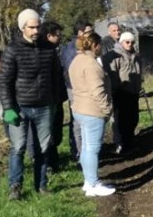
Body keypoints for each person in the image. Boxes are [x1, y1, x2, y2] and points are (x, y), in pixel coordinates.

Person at [0, 9, 62, 199]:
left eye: (38, 26)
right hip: (20, 106)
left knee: (43, 148)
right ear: (22, 28)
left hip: (44, 107)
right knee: (18, 147)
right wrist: (8, 108)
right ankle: (15, 186)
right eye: (31, 27)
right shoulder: (12, 50)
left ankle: (41, 185)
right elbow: (4, 82)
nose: (36, 31)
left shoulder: (48, 49)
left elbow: (56, 76)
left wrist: (56, 101)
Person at [69, 32, 115, 197]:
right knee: (93, 149)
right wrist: (107, 109)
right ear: (95, 45)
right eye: (100, 45)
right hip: (92, 111)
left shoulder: (76, 61)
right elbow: (97, 91)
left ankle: (88, 181)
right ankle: (94, 183)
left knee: (87, 149)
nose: (101, 48)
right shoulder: (90, 64)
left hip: (80, 109)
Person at [60, 22, 93, 160]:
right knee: (78, 121)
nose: (92, 34)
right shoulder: (71, 49)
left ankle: (85, 150)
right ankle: (78, 153)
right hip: (75, 88)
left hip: (84, 87)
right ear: (80, 33)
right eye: (89, 31)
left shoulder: (83, 46)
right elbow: (69, 70)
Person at [106, 32, 142, 154]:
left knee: (133, 119)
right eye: (127, 42)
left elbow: (138, 72)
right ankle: (120, 144)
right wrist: (118, 86)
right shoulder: (114, 55)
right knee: (121, 120)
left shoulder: (135, 56)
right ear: (121, 42)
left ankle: (130, 141)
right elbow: (111, 74)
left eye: (132, 42)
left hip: (134, 92)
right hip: (120, 92)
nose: (130, 44)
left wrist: (139, 85)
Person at [39, 21, 64, 171]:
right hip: (47, 100)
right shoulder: (44, 53)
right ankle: (48, 162)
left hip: (57, 98)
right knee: (49, 132)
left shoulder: (54, 51)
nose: (60, 38)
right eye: (58, 35)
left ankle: (53, 159)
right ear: (49, 36)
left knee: (56, 131)